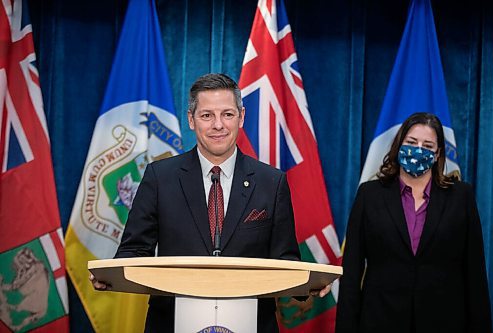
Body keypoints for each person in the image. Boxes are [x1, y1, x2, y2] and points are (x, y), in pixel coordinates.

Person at [90, 73, 330, 333]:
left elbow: (285, 261)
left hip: (251, 323)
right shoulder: (160, 177)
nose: (218, 125)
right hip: (171, 322)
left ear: (242, 116)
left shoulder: (271, 182)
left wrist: (309, 283)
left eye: (227, 114)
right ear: (191, 120)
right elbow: (135, 250)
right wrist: (110, 274)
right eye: (207, 115)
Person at [336, 112, 492, 333]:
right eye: (411, 142)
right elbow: (351, 271)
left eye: (428, 145)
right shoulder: (369, 195)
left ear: (438, 155)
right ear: (399, 145)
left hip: (444, 322)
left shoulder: (461, 196)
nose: (418, 149)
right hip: (380, 321)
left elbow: (475, 274)